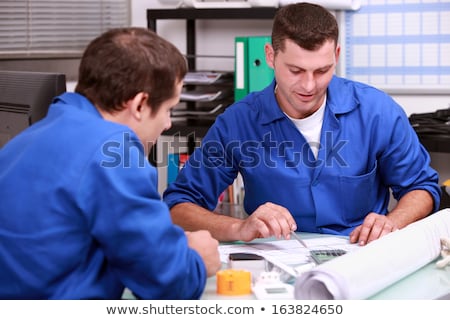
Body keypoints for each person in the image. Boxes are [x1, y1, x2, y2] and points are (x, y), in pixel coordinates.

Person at [163, 2, 441, 246]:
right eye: (295, 71)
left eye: (322, 70)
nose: (309, 86)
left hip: (360, 255)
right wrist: (238, 227)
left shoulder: (377, 111)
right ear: (271, 56)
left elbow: (422, 187)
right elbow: (179, 205)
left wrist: (392, 222)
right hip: (275, 259)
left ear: (337, 55)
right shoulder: (238, 121)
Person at [0, 27, 221, 299]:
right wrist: (197, 260)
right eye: (168, 109)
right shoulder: (113, 150)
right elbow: (167, 282)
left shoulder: (31, 138)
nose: (167, 124)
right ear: (140, 104)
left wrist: (167, 246)